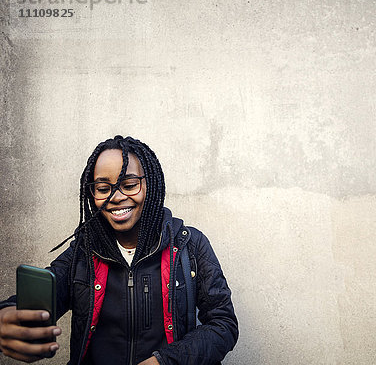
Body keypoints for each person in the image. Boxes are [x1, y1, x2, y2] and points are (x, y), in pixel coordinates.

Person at [0, 135, 238, 364]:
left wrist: (166, 361)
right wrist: (7, 315)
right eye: (103, 189)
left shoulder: (190, 245)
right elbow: (37, 302)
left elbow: (223, 324)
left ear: (150, 185)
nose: (115, 197)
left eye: (130, 185)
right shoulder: (83, 252)